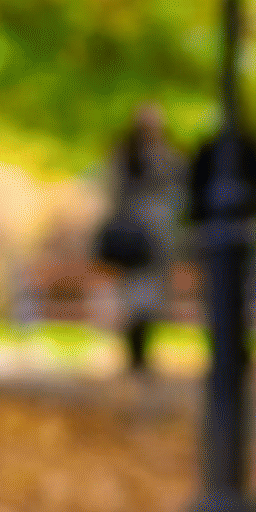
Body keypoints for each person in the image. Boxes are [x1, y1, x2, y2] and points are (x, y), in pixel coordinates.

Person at [97, 104, 180, 376]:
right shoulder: (126, 156)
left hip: (157, 237)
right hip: (134, 237)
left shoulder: (167, 154)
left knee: (151, 299)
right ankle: (135, 356)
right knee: (133, 298)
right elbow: (113, 191)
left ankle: (142, 355)